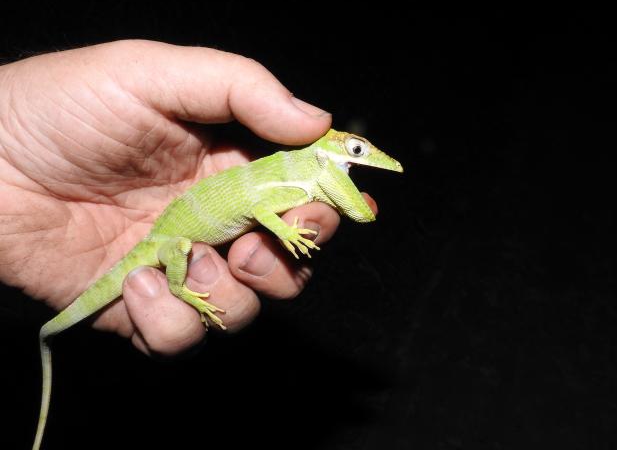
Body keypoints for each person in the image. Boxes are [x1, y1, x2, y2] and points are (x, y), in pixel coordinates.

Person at [0, 39, 377, 355]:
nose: (360, 159)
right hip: (168, 243)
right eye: (357, 151)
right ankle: (180, 287)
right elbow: (262, 207)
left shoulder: (296, 177)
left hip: (164, 236)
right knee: (181, 248)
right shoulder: (293, 173)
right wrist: (287, 233)